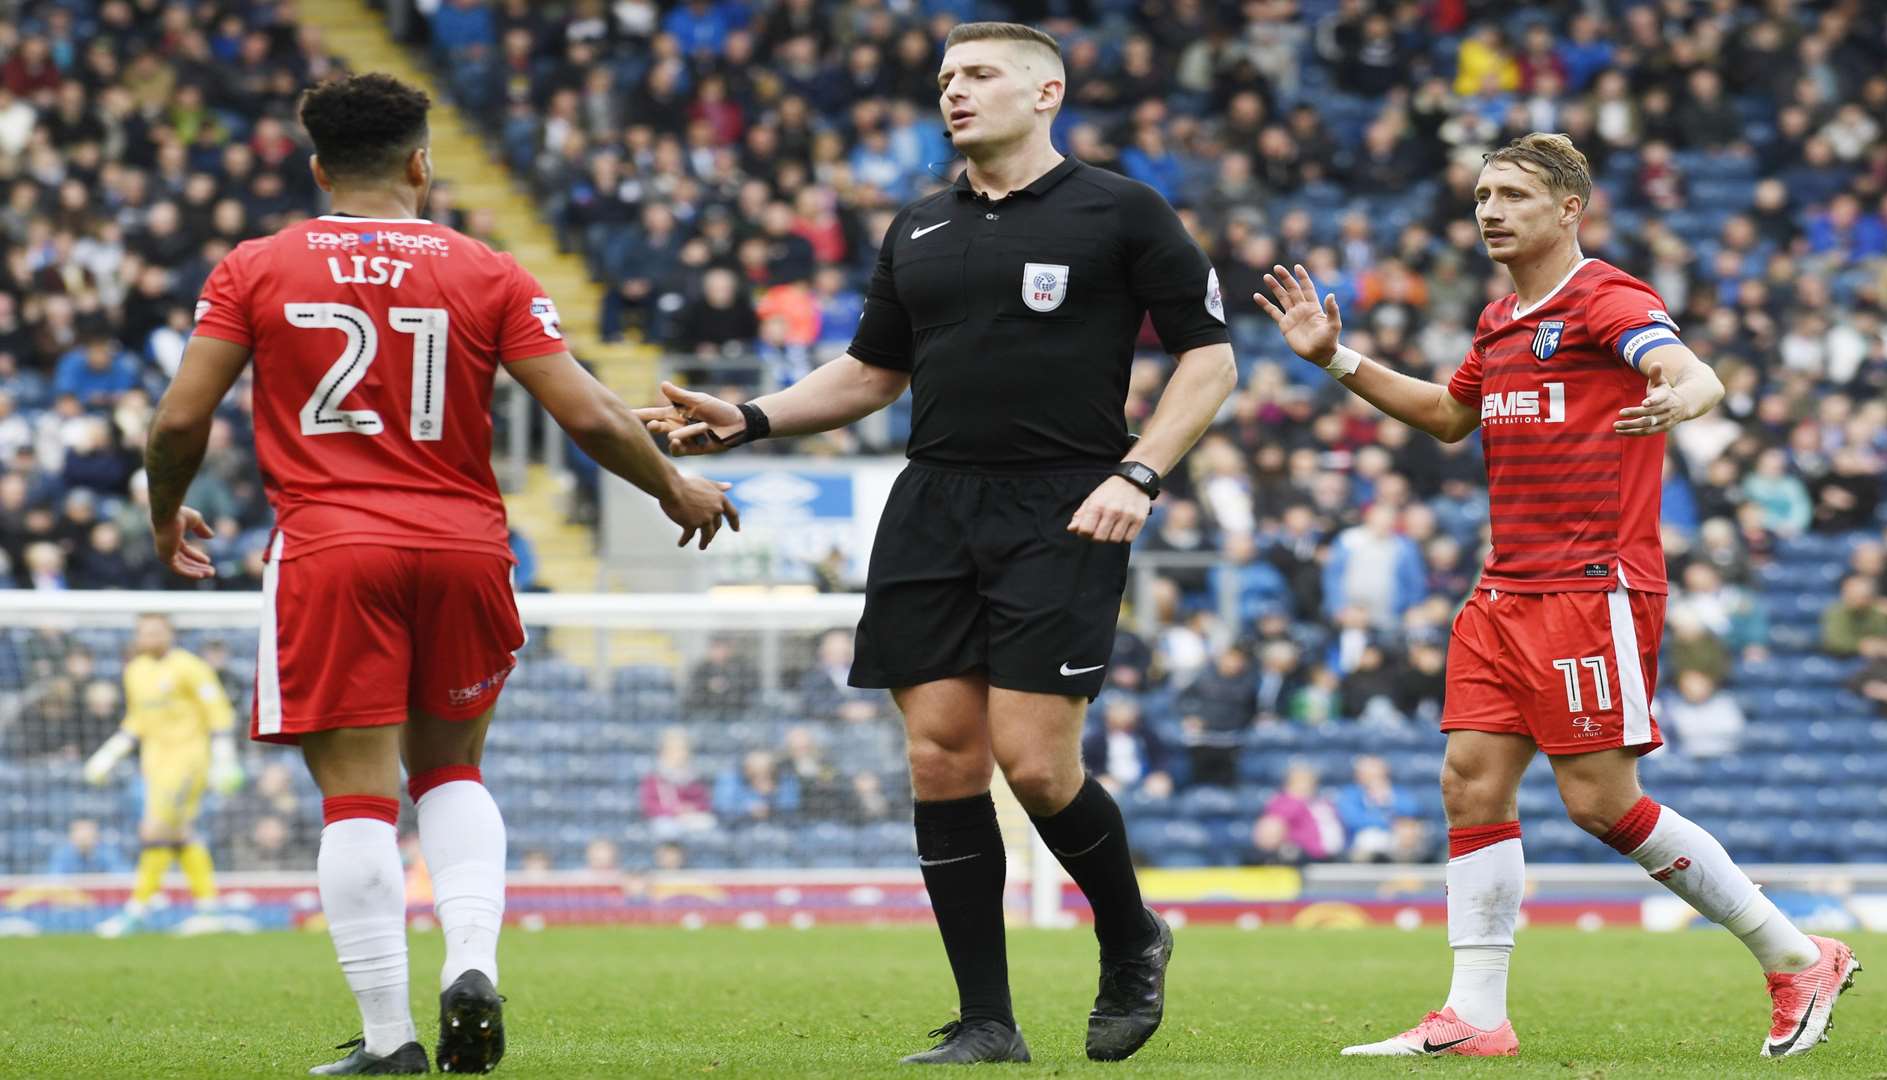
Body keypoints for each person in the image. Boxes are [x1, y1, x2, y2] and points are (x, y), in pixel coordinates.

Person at [640, 21, 1237, 1066]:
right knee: (939, 755)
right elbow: (872, 373)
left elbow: (1210, 359)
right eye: (947, 78)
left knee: (1037, 764)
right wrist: (753, 416)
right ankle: (987, 1023)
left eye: (979, 75)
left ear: (1045, 91)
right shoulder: (918, 225)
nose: (954, 92)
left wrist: (1139, 474)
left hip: (1067, 504)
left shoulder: (1122, 210)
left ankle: (1132, 933)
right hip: (934, 502)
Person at [143, 73, 737, 1077]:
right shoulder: (489, 270)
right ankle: (471, 960)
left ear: (321, 167)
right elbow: (590, 415)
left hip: (334, 548)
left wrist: (165, 514)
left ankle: (389, 1042)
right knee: (453, 770)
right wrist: (674, 486)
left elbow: (177, 420)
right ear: (423, 163)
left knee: (358, 802)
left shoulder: (257, 265)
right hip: (465, 548)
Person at [1257, 133, 1857, 1060]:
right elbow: (1450, 417)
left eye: (1513, 196)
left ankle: (1794, 954)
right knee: (1469, 781)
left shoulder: (1607, 298)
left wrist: (1684, 395)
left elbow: (1689, 368)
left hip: (1592, 584)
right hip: (1506, 589)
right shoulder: (1500, 318)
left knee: (1601, 802)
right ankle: (1476, 1016)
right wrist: (1337, 361)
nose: (1490, 210)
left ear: (1569, 208)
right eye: (1482, 195)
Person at [84, 614, 242, 936]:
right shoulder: (135, 671)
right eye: (144, 632)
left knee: (155, 830)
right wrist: (109, 754)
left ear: (170, 634)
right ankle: (208, 909)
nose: (151, 637)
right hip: (155, 765)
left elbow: (219, 712)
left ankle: (137, 909)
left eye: (157, 631)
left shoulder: (190, 667)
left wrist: (225, 758)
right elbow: (136, 721)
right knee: (180, 834)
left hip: (189, 760)